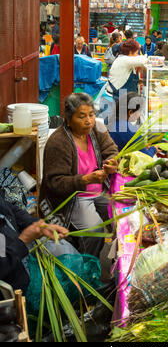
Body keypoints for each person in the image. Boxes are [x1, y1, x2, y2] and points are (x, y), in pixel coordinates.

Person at [39, 92, 119, 257]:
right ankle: (88, 267)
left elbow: (111, 149)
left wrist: (111, 161)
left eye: (91, 114)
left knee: (120, 215)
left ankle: (117, 262)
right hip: (74, 196)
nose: (88, 121)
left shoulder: (97, 127)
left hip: (99, 189)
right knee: (94, 229)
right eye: (81, 116)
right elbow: (54, 182)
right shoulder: (58, 142)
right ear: (68, 119)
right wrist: (86, 179)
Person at [0, 188, 68, 294]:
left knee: (64, 248)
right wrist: (23, 240)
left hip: (20, 252)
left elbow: (11, 209)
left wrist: (37, 225)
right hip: (14, 281)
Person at [108, 92, 156, 157]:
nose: (140, 114)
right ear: (130, 112)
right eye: (140, 111)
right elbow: (147, 156)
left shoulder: (113, 122)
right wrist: (154, 149)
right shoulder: (129, 131)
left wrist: (142, 147)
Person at [106, 38, 148, 103]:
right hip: (120, 95)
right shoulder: (123, 60)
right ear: (131, 52)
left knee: (130, 112)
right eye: (137, 53)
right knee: (123, 113)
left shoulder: (125, 60)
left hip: (127, 95)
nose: (137, 55)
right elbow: (144, 60)